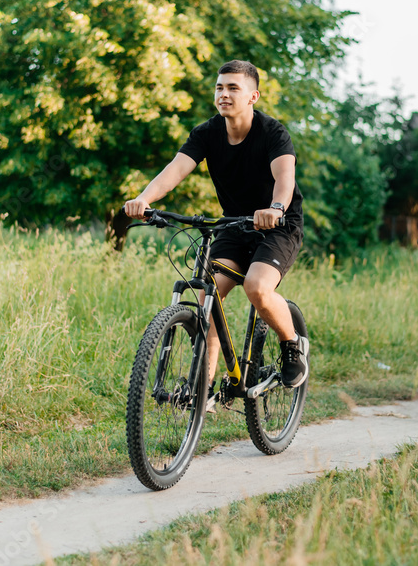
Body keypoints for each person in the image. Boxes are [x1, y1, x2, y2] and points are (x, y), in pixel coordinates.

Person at [123, 60, 309, 397]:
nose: (224, 94)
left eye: (233, 88)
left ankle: (292, 343)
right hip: (234, 224)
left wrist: (275, 209)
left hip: (278, 225)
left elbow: (285, 178)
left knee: (256, 287)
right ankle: (203, 388)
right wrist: (143, 198)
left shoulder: (272, 132)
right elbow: (176, 169)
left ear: (253, 96)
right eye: (220, 87)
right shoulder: (207, 133)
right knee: (209, 296)